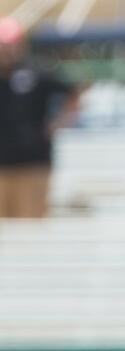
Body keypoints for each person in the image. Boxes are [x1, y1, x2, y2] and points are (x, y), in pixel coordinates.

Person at [0, 18, 82, 219]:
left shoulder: (38, 70)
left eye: (8, 46)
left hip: (33, 160)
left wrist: (57, 124)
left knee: (31, 220)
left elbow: (74, 92)